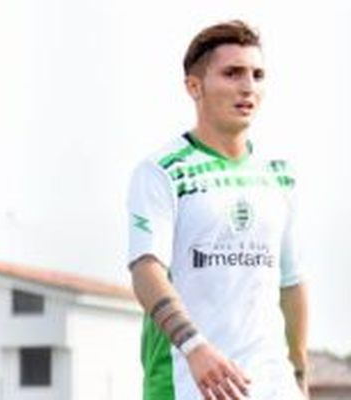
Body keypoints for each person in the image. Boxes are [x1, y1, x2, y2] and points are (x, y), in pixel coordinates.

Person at [127, 20, 310, 399]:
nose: (248, 86)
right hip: (190, 385)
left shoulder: (280, 175)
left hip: (272, 387)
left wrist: (299, 373)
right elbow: (146, 270)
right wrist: (195, 347)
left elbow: (292, 282)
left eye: (257, 75)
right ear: (194, 87)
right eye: (232, 73)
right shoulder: (161, 171)